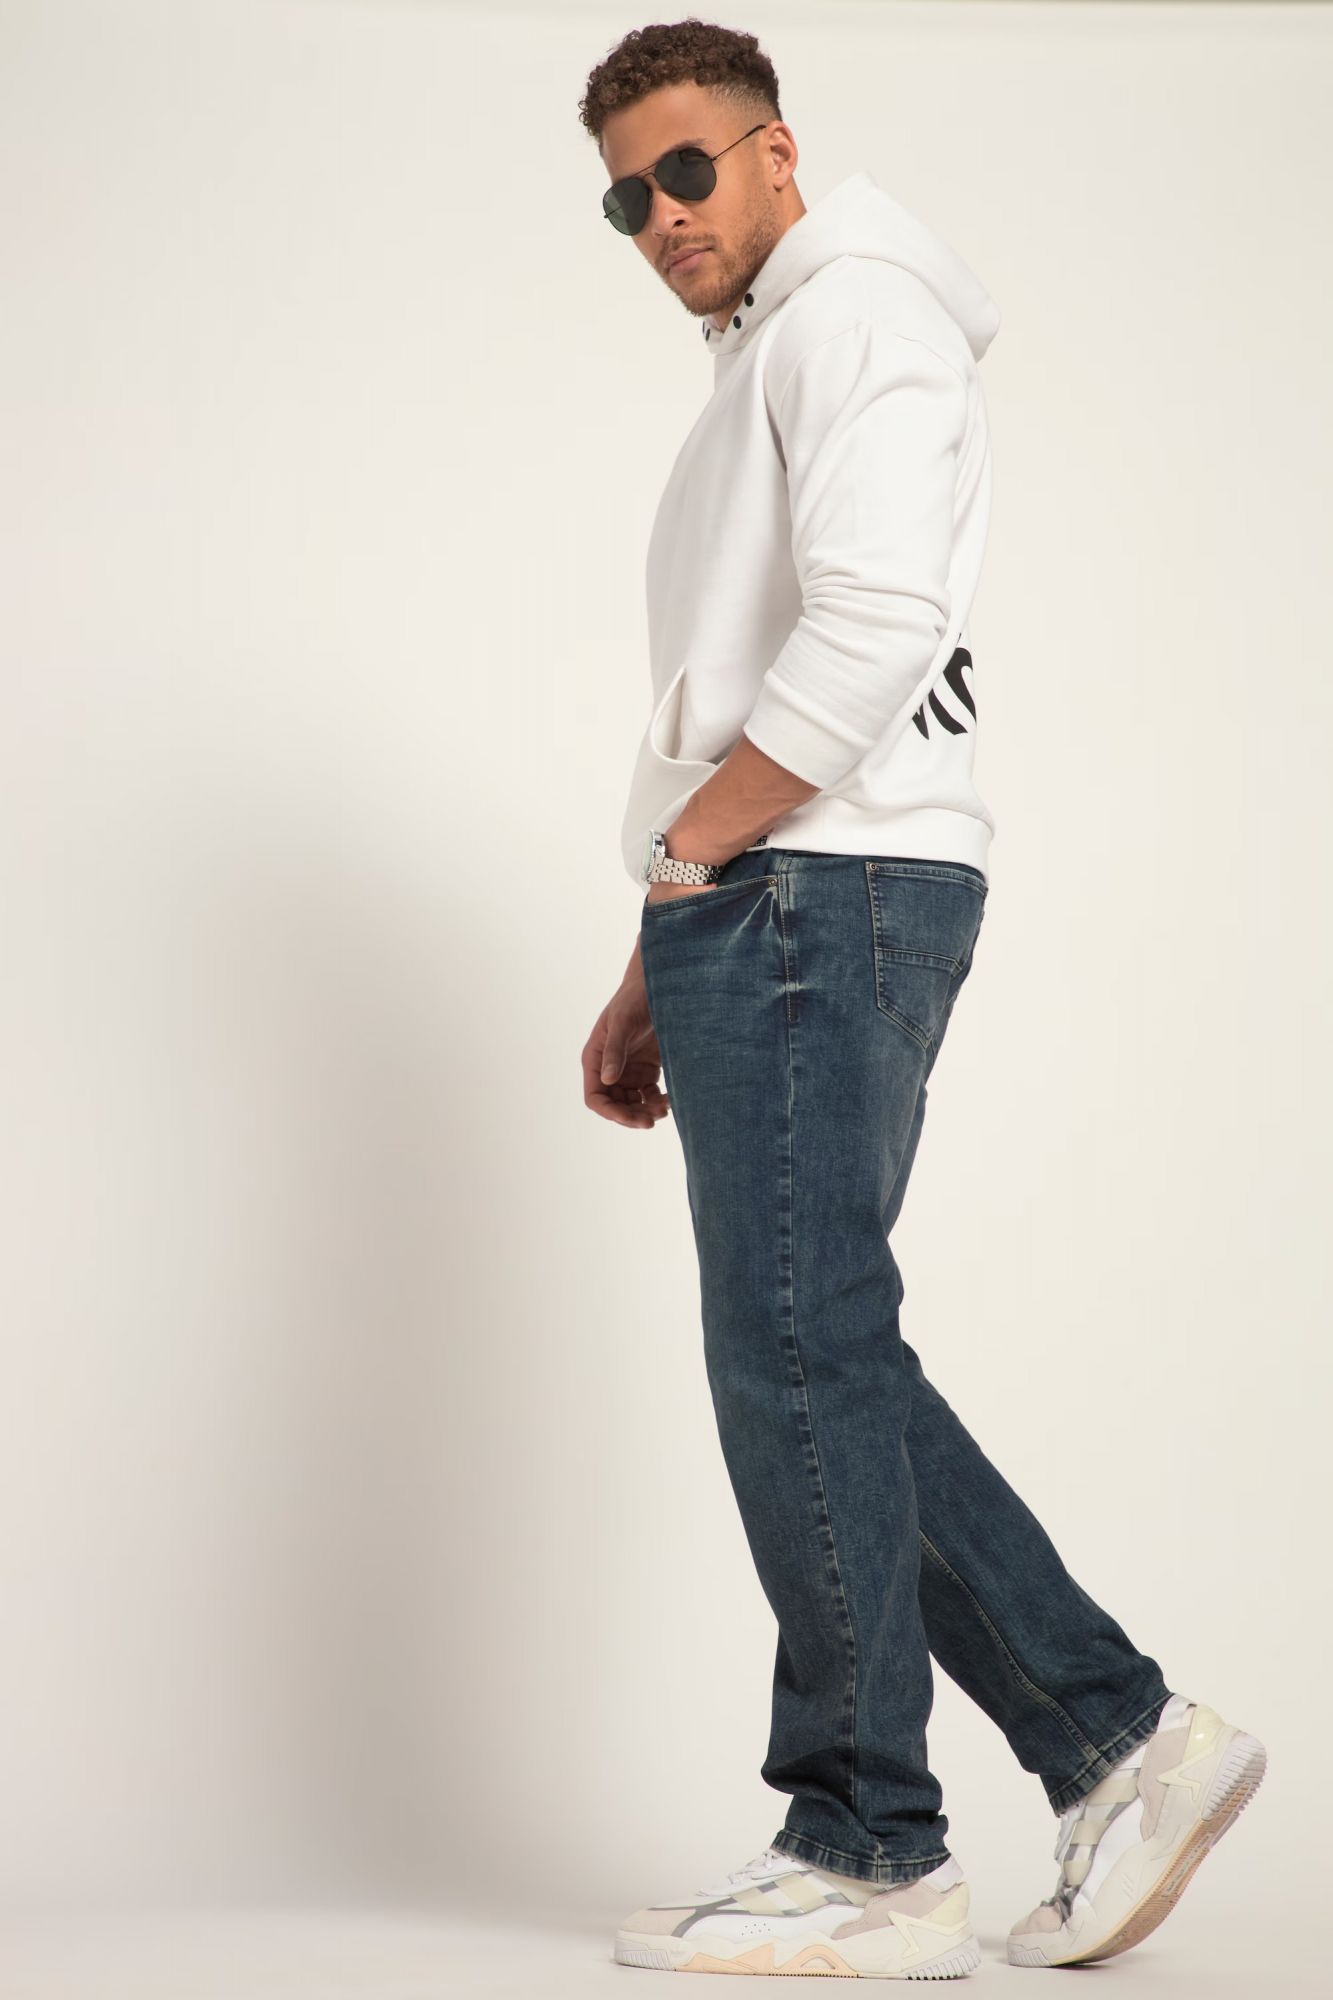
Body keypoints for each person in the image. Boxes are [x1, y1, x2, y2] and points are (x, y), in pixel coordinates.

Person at [578, 20, 1265, 1980]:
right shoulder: (780, 347)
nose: (660, 215)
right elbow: (755, 669)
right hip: (782, 887)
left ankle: (870, 1844)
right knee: (816, 1354)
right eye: (624, 198)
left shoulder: (852, 317)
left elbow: (876, 629)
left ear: (775, 153)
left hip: (818, 882)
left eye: (687, 169)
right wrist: (656, 940)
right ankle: (1117, 1740)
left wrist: (696, 860)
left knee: (798, 1354)